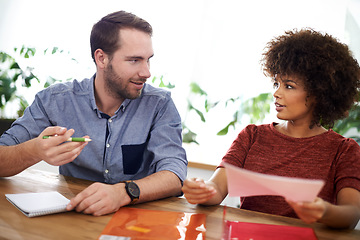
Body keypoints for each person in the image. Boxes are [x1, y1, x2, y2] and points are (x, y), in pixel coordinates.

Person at [0, 10, 187, 216]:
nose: (146, 72)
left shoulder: (159, 104)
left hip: (137, 219)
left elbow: (174, 175)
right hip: (73, 217)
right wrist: (34, 150)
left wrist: (124, 192)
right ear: (101, 58)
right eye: (134, 60)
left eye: (148, 59)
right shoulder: (55, 100)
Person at [182, 28, 360, 229]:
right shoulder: (251, 136)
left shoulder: (344, 150)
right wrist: (202, 190)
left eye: (289, 86)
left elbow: (351, 214)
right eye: (276, 83)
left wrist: (325, 211)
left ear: (320, 92)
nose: (276, 93)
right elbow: (217, 187)